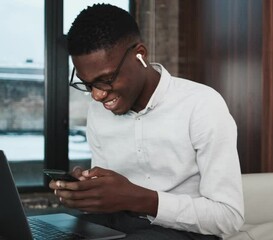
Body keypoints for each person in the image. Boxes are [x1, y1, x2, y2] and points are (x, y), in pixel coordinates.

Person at [49, 3, 244, 240]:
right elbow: (104, 199)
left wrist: (138, 198)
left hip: (185, 232)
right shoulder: (98, 111)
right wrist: (87, 193)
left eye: (106, 79)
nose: (97, 95)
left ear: (140, 55)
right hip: (115, 222)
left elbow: (229, 217)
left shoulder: (202, 105)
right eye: (87, 84)